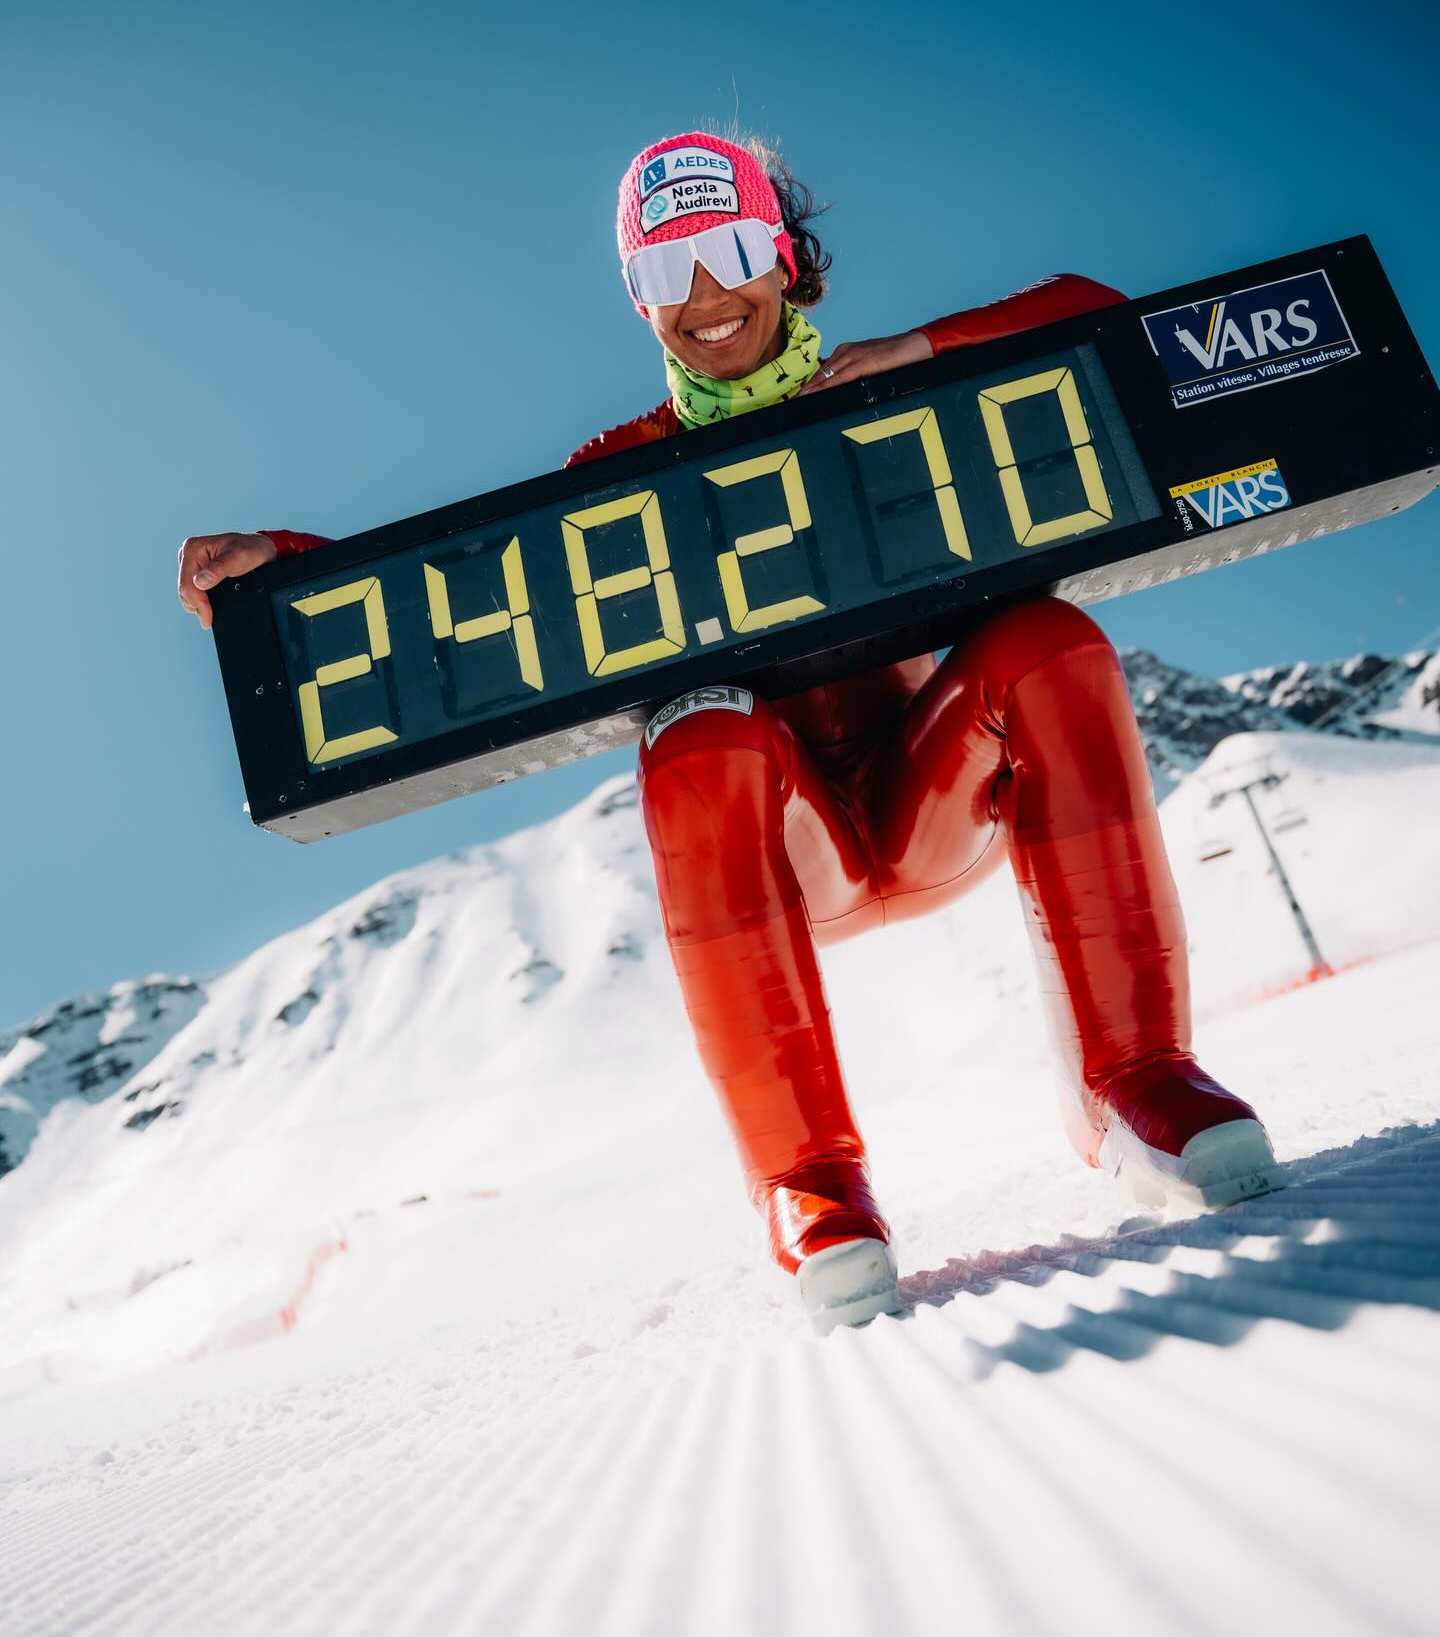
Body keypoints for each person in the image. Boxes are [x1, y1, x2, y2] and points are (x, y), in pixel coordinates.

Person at [177, 130, 1283, 1335]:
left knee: (1047, 638)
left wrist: (914, 352)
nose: (705, 293)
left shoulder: (889, 388)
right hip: (783, 853)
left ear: (784, 258)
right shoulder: (617, 469)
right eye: (665, 270)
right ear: (638, 299)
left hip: (937, 795)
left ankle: (1134, 1082)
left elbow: (1101, 318)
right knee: (697, 731)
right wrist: (283, 571)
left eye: (731, 251)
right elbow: (469, 598)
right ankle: (813, 1186)